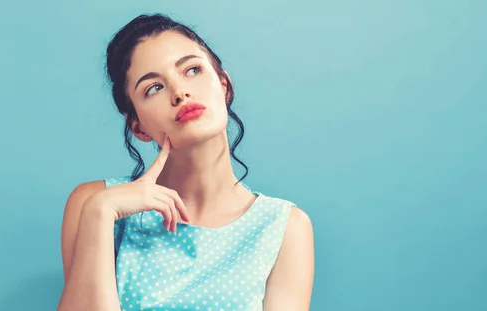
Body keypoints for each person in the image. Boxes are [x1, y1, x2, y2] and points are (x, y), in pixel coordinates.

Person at [57, 13, 314, 311]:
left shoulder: (284, 226)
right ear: (138, 126)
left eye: (192, 69)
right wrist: (100, 213)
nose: (180, 92)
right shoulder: (94, 203)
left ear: (224, 86)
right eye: (154, 88)